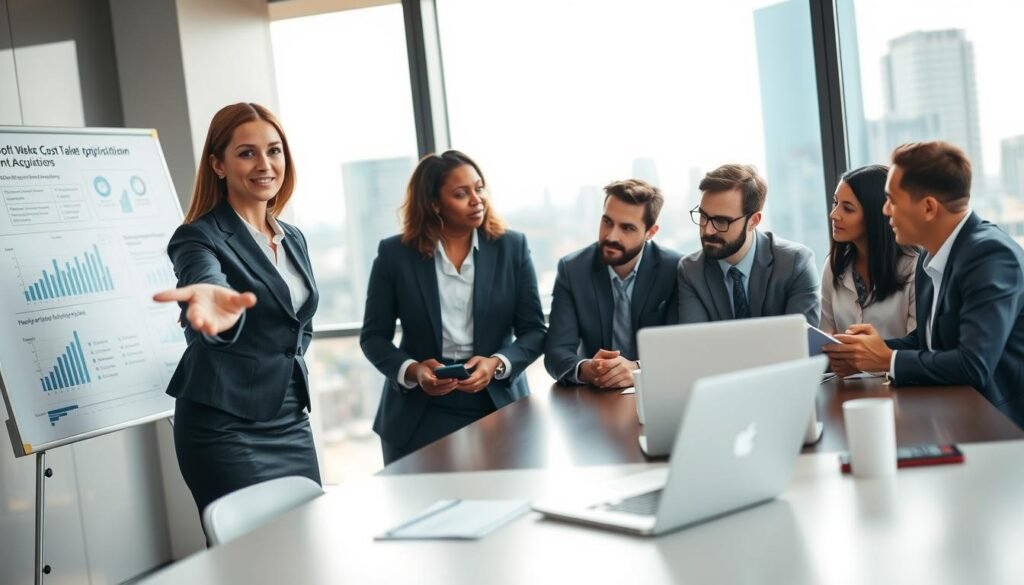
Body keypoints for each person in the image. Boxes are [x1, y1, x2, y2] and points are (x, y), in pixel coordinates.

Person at [153, 103, 320, 516]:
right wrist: (218, 315)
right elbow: (206, 283)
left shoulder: (292, 237)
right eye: (247, 153)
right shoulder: (197, 237)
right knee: (249, 560)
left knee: (307, 542)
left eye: (274, 150)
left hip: (289, 414)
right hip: (223, 425)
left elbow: (297, 324)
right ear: (219, 164)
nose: (265, 164)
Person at [360, 150, 546, 464]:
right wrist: (415, 371)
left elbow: (534, 332)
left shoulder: (512, 248)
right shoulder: (395, 254)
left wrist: (497, 363)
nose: (477, 199)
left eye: (479, 188)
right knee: (423, 509)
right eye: (461, 194)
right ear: (434, 204)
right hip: (419, 412)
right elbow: (373, 337)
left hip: (496, 403)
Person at [824, 141, 1024, 428]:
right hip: (954, 415)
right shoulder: (930, 252)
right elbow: (929, 341)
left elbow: (973, 365)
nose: (884, 210)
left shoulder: (991, 256)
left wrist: (886, 359)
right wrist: (863, 352)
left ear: (929, 208)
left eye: (892, 200)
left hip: (1000, 428)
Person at [544, 179, 681, 389]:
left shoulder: (676, 270)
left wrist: (637, 369)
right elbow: (556, 352)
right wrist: (586, 369)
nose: (611, 236)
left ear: (651, 232)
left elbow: (680, 350)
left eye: (627, 228)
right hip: (596, 398)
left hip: (659, 390)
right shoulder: (573, 269)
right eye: (607, 221)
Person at [677, 164, 820, 325]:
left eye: (721, 221)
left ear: (753, 221)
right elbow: (696, 343)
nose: (708, 230)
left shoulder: (795, 263)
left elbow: (801, 342)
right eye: (703, 216)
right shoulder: (691, 270)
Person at [821, 164, 917, 338]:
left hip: (894, 365)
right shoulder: (834, 264)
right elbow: (826, 333)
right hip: (843, 366)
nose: (834, 214)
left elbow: (916, 349)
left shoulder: (914, 269)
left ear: (876, 215)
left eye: (847, 208)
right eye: (836, 202)